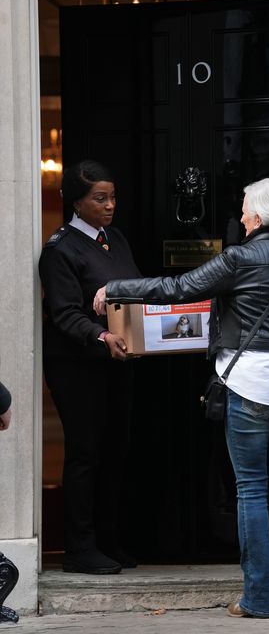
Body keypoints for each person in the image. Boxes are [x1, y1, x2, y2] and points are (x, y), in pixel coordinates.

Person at [94, 177, 269, 616]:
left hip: (250, 384)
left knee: (253, 490)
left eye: (244, 209)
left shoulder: (239, 258)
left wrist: (117, 289)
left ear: (257, 217)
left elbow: (177, 289)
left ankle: (258, 599)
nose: (240, 216)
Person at [39, 159, 142, 575]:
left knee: (116, 451)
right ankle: (79, 548)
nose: (110, 205)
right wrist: (100, 336)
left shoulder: (113, 238)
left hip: (119, 363)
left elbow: (134, 285)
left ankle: (107, 541)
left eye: (112, 197)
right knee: (86, 454)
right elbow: (64, 314)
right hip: (77, 366)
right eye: (100, 199)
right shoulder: (59, 248)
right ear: (74, 202)